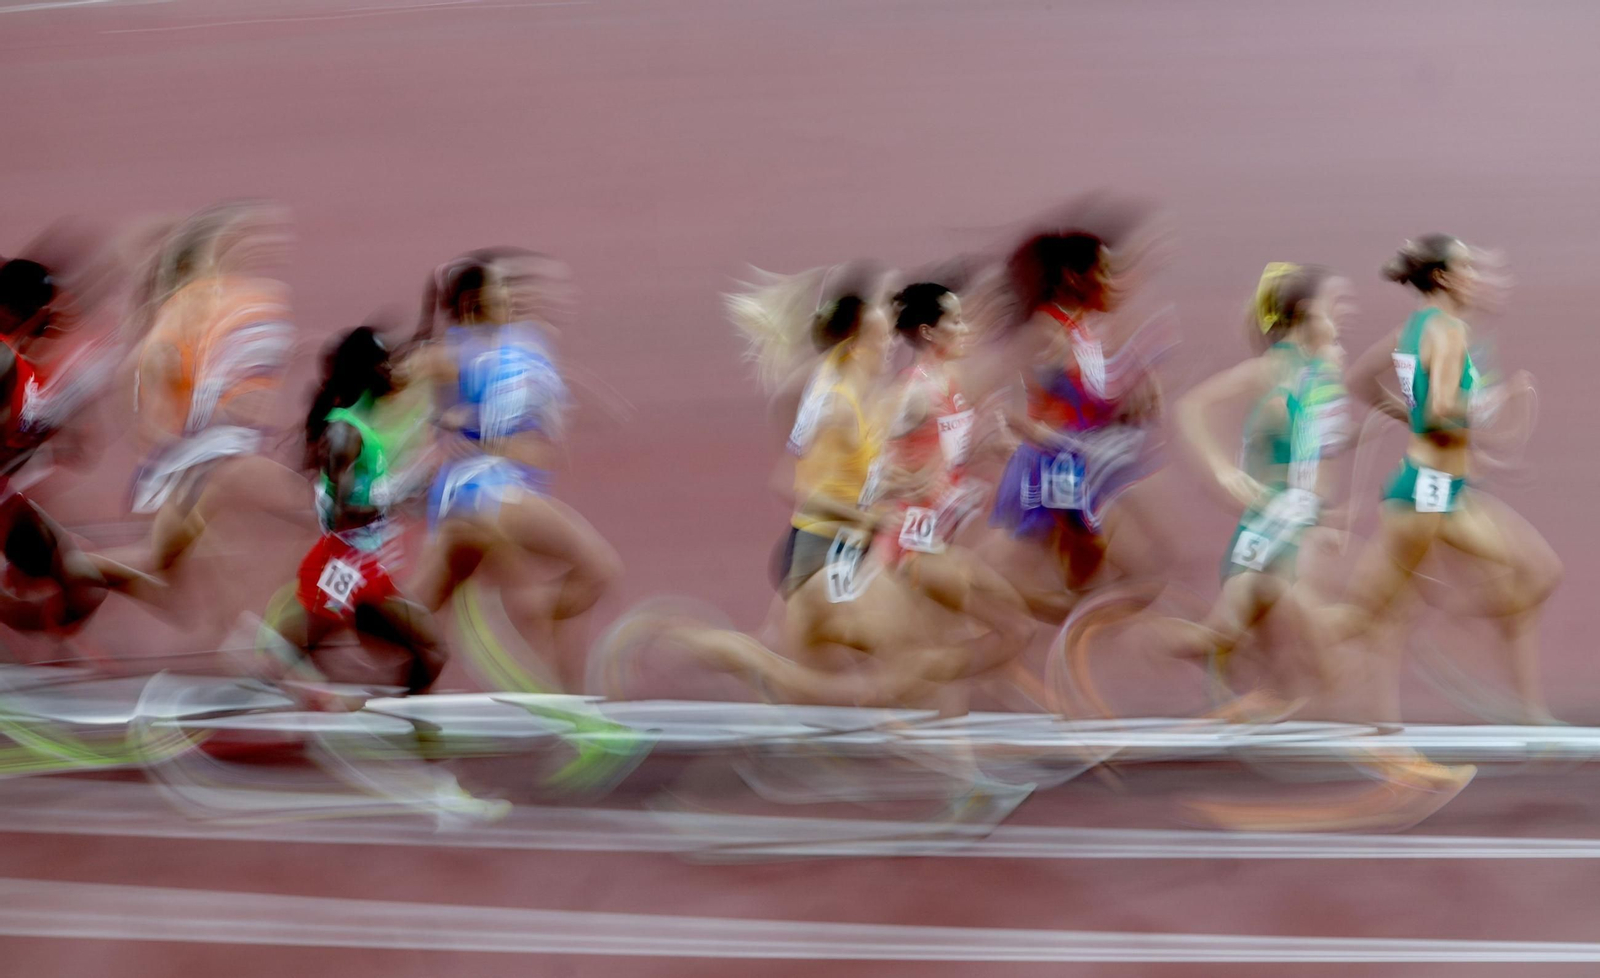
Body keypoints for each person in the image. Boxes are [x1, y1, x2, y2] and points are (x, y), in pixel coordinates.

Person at [1323, 235, 1562, 724]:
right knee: (1365, 616)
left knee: (1536, 573)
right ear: (1444, 277)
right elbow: (1437, 413)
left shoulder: (1414, 328)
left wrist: (1425, 420)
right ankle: (1262, 649)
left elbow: (1363, 383)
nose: (1477, 277)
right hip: (1427, 497)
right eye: (1468, 268)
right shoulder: (1449, 332)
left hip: (1440, 491)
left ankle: (1527, 715)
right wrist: (1495, 403)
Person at [405, 252, 620, 693]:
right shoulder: (453, 353)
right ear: (471, 302)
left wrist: (587, 399)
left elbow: (542, 405)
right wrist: (441, 424)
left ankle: (398, 704)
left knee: (421, 616)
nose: (507, 296)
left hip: (500, 492)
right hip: (484, 490)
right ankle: (566, 691)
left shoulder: (527, 342)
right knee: (597, 569)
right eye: (498, 288)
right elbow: (400, 386)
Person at [1157, 263, 1355, 715]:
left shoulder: (1316, 372)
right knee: (1223, 638)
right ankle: (1131, 640)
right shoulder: (1274, 369)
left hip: (1287, 529)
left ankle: (1224, 708)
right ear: (1307, 313)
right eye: (1335, 306)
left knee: (1294, 676)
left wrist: (1322, 514)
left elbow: (1318, 456)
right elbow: (1191, 408)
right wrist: (1223, 471)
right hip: (1268, 533)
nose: (1344, 315)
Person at [250, 326, 447, 707]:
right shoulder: (344, 432)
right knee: (427, 652)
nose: (392, 370)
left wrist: (407, 492)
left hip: (364, 566)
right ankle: (245, 697)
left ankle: (270, 686)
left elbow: (365, 494)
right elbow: (340, 517)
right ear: (367, 372)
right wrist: (398, 496)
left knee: (426, 653)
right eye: (384, 362)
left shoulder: (360, 427)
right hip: (343, 566)